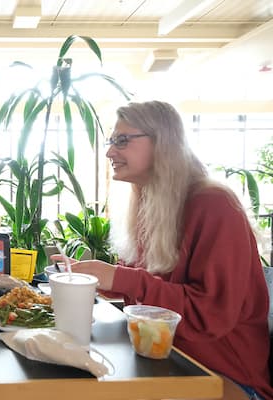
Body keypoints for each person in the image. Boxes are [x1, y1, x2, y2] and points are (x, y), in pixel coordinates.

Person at [54, 101, 272, 399]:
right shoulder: (149, 204)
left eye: (122, 140)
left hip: (223, 376)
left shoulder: (214, 204)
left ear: (163, 142)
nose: (109, 152)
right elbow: (149, 294)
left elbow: (209, 316)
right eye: (111, 141)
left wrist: (118, 278)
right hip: (164, 360)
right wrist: (93, 279)